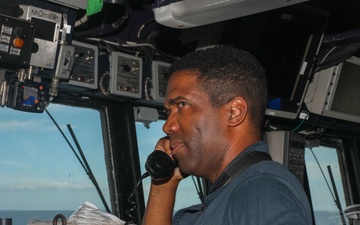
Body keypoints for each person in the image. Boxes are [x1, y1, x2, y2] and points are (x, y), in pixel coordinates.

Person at [142, 46, 312, 225]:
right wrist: (164, 184)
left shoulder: (261, 190)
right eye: (169, 112)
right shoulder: (232, 195)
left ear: (234, 112)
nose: (168, 126)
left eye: (182, 105)